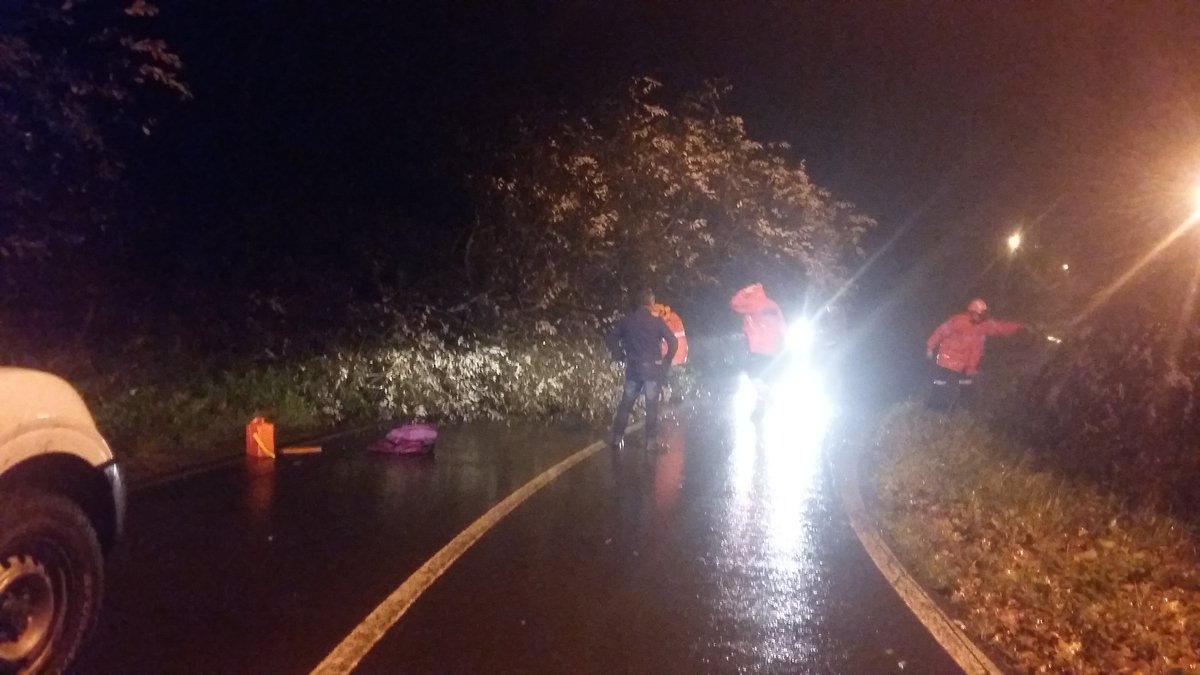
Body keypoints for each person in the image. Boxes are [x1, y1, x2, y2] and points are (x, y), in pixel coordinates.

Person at [607, 289, 678, 451]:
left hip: (633, 368)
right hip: (652, 370)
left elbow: (611, 338)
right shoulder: (657, 321)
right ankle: (650, 442)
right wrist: (666, 362)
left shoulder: (628, 320)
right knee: (651, 406)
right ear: (651, 303)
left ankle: (617, 438)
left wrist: (620, 356)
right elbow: (673, 342)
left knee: (625, 404)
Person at [925, 298, 1024, 410]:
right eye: (978, 314)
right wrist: (930, 346)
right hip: (948, 361)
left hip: (966, 365)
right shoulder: (958, 321)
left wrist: (1019, 327)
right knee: (940, 385)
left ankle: (961, 412)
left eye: (982, 315)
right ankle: (933, 409)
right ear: (971, 312)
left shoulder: (984, 325)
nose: (980, 317)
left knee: (966, 387)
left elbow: (1000, 327)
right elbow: (941, 331)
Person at [730, 282, 787, 382]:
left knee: (756, 382)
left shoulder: (753, 303)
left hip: (757, 350)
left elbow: (735, 304)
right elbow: (782, 325)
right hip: (775, 352)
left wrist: (745, 292)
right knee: (774, 381)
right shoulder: (772, 304)